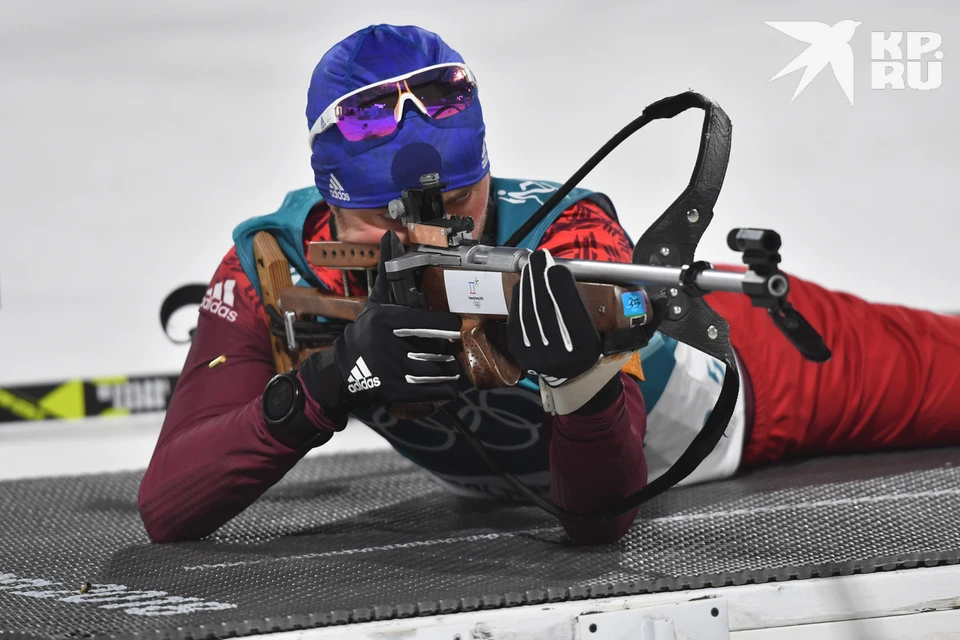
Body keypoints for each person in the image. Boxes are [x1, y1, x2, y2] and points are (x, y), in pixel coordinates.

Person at [138, 24, 960, 546]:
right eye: (388, 218)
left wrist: (582, 387)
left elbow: (602, 520)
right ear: (331, 201)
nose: (426, 238)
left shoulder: (569, 234)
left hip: (763, 388)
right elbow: (169, 505)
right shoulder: (276, 264)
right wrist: (326, 382)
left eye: (458, 204)